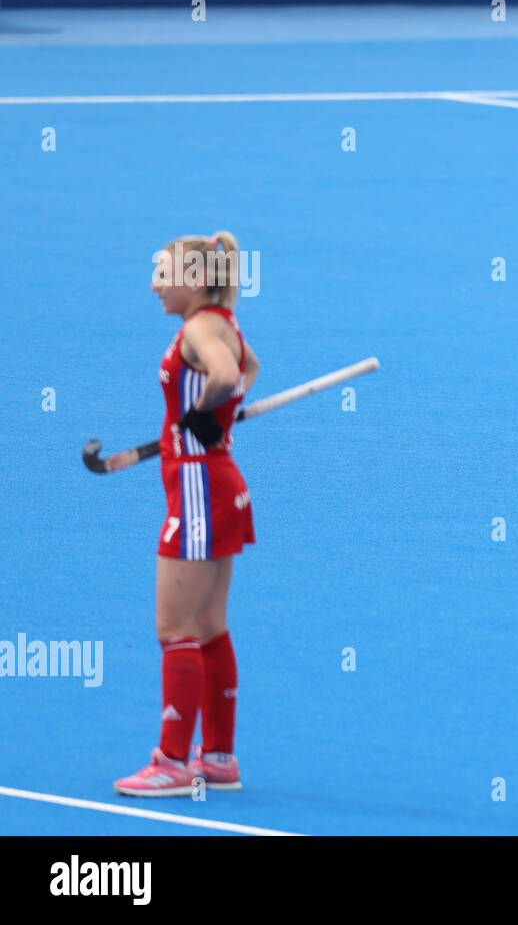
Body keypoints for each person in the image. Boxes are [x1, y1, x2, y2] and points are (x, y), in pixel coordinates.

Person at [114, 232, 258, 795]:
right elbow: (249, 369)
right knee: (208, 628)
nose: (154, 285)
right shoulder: (221, 322)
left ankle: (173, 762)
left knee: (174, 628)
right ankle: (218, 758)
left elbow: (225, 376)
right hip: (218, 484)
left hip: (198, 489)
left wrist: (204, 413)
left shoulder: (200, 328)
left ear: (194, 281)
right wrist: (223, 414)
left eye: (162, 273)